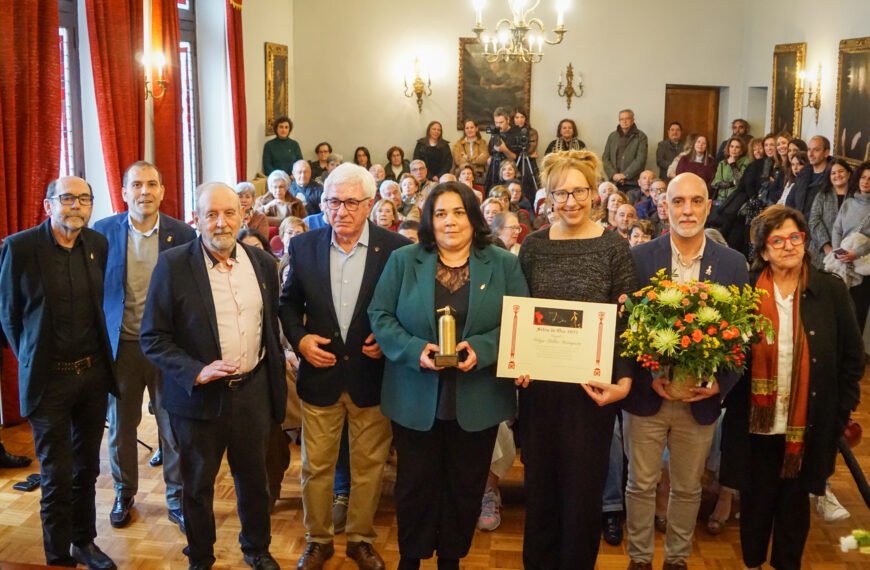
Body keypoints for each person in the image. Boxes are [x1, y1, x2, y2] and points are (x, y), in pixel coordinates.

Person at [368, 181, 529, 570]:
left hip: (479, 396)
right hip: (415, 395)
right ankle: (410, 557)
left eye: (459, 212)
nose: (450, 221)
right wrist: (412, 350)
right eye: (440, 213)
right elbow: (380, 315)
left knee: (465, 486)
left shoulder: (503, 262)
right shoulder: (404, 260)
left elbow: (520, 319)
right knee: (414, 486)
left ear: (473, 217)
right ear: (429, 219)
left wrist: (484, 349)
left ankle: (451, 558)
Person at [140, 182, 285, 570]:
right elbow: (152, 337)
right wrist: (197, 371)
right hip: (198, 399)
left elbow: (270, 326)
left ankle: (256, 549)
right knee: (198, 486)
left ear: (242, 215)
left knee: (256, 482)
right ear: (197, 219)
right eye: (211, 215)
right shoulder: (173, 265)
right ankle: (200, 556)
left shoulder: (262, 264)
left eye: (229, 213)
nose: (221, 223)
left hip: (253, 393)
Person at [279, 163, 409, 570]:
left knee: (369, 468)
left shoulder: (394, 249)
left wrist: (388, 343)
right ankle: (318, 540)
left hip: (372, 378)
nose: (342, 211)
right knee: (316, 468)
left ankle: (360, 539)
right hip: (321, 376)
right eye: (334, 201)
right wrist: (299, 339)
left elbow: (408, 308)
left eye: (352, 202)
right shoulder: (304, 247)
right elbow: (286, 305)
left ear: (370, 204)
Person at [721, 205, 863, 570]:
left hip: (808, 421)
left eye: (795, 237)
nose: (788, 246)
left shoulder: (829, 290)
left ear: (805, 242)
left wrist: (841, 411)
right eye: (778, 240)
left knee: (794, 503)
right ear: (764, 250)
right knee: (755, 499)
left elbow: (851, 358)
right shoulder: (747, 290)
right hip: (755, 420)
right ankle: (752, 563)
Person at [517, 150, 635, 569]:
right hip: (540, 393)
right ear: (547, 197)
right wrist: (517, 363)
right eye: (560, 193)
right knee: (542, 495)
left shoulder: (613, 247)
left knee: (583, 499)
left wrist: (622, 381)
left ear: (594, 193)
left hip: (590, 395)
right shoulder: (532, 247)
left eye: (579, 191)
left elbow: (627, 320)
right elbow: (519, 312)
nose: (570, 201)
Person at [624, 173, 749, 570]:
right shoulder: (640, 259)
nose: (688, 210)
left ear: (709, 207)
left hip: (701, 400)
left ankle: (677, 560)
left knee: (688, 487)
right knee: (640, 484)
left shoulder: (732, 264)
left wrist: (718, 386)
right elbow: (625, 330)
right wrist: (647, 376)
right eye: (678, 202)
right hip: (647, 396)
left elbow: (742, 336)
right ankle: (639, 560)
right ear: (665, 208)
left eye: (696, 201)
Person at [0, 177, 118, 569]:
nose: (77, 206)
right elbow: (8, 315)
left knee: (88, 467)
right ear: (48, 204)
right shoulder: (19, 248)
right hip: (49, 380)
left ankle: (84, 542)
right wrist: (31, 357)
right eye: (67, 198)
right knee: (55, 474)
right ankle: (57, 556)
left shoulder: (97, 245)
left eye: (84, 199)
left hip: (92, 375)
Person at [93, 161, 195, 535]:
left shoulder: (183, 234)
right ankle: (124, 492)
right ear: (124, 192)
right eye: (136, 185)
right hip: (122, 347)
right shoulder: (102, 233)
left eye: (152, 184)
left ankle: (177, 498)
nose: (145, 191)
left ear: (163, 191)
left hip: (168, 347)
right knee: (121, 427)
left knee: (172, 425)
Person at [831, 160, 870, 332]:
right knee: (838, 309)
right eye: (863, 177)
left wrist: (856, 253)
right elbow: (836, 229)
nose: (865, 181)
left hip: (863, 266)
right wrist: (837, 252)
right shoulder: (848, 203)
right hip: (842, 263)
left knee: (857, 313)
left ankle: (854, 355)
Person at [809, 158, 853, 267]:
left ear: (849, 174)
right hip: (819, 253)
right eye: (833, 173)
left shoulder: (856, 197)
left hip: (848, 254)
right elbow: (814, 221)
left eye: (841, 171)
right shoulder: (822, 195)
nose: (837, 175)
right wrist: (826, 246)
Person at [786, 135, 833, 223]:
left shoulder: (832, 176)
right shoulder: (803, 173)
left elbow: (824, 210)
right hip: (796, 223)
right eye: (809, 149)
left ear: (826, 152)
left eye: (816, 150)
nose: (810, 154)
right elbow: (790, 200)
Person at [602, 109, 649, 191]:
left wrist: (624, 175)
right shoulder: (612, 136)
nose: (624, 121)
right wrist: (613, 175)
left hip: (633, 183)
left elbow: (640, 160)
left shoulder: (641, 137)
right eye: (621, 119)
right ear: (619, 121)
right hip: (614, 182)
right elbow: (605, 158)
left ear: (632, 120)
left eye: (627, 119)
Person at [484, 106, 522, 190]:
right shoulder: (495, 132)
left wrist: (504, 149)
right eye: (496, 122)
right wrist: (490, 157)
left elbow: (515, 158)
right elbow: (490, 151)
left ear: (508, 120)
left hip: (508, 172)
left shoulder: (516, 133)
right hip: (493, 169)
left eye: (501, 122)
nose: (498, 125)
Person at [711, 136, 751, 202]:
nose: (733, 149)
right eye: (731, 146)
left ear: (741, 150)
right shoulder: (722, 163)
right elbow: (715, 183)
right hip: (720, 199)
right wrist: (732, 183)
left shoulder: (746, 161)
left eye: (737, 147)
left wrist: (733, 165)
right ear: (728, 148)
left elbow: (740, 183)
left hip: (736, 200)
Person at [452, 119, 489, 184]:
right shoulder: (458, 144)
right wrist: (477, 158)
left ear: (476, 129)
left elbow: (484, 159)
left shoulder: (483, 143)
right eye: (467, 128)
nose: (469, 130)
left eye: (472, 127)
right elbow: (459, 161)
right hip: (463, 175)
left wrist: (467, 159)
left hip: (479, 175)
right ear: (464, 130)